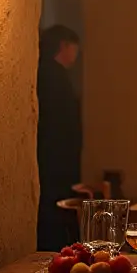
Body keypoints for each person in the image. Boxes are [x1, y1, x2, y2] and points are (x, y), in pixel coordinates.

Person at [37, 25, 82, 250]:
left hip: (48, 157)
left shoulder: (43, 72)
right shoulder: (56, 75)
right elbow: (63, 123)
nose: (76, 54)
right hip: (57, 161)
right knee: (55, 216)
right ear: (64, 45)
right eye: (75, 48)